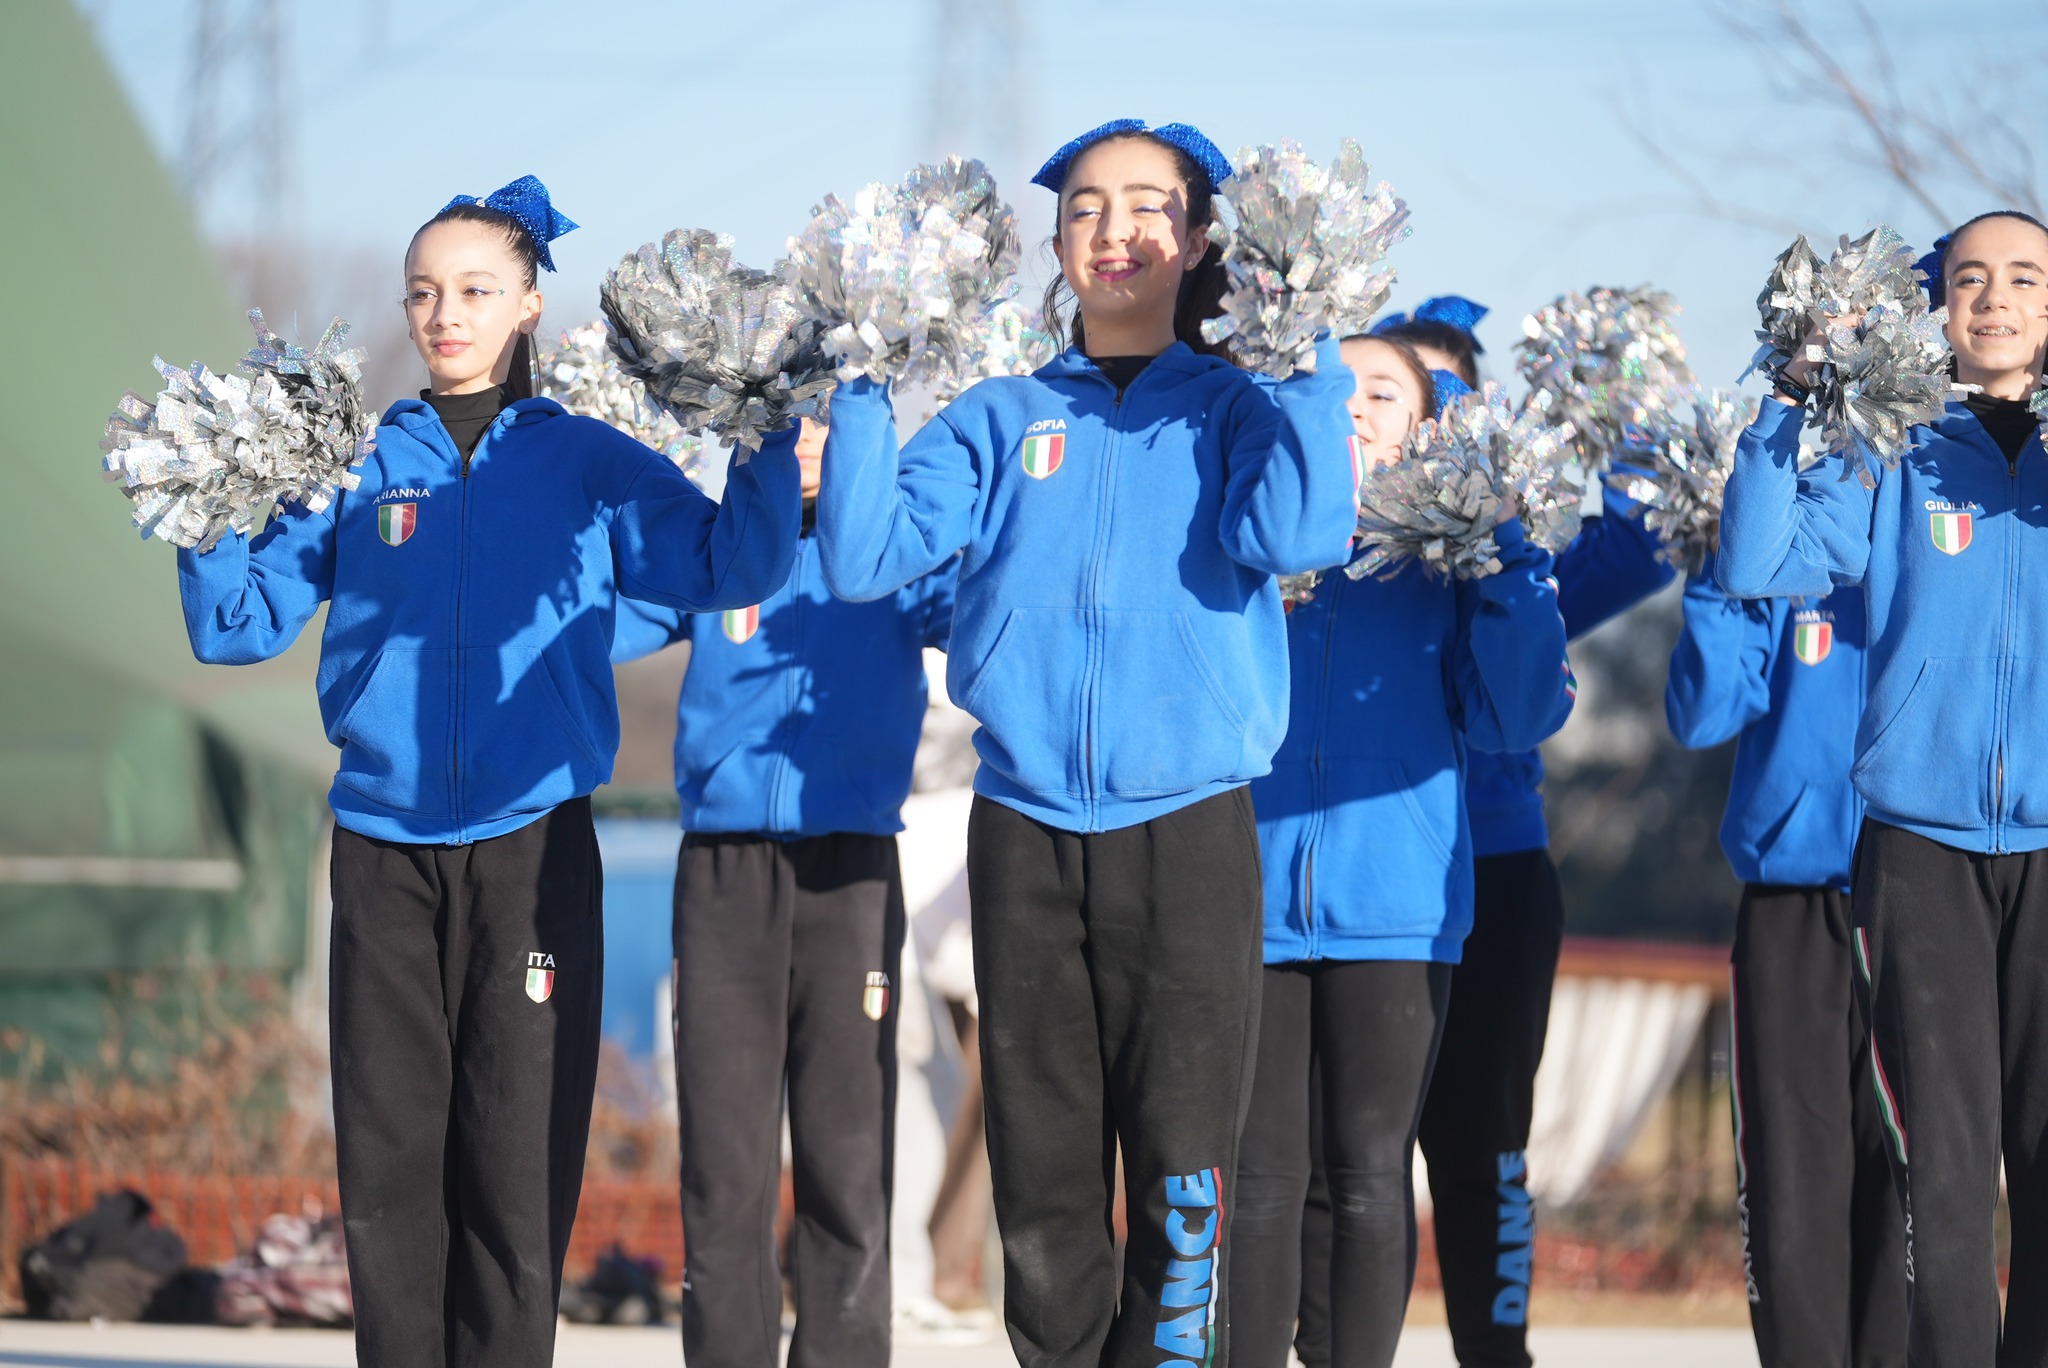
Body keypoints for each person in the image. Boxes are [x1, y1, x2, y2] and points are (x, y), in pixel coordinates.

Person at [175, 177, 802, 1368]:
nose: (442, 314)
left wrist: (764, 427)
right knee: (390, 1161)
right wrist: (201, 512)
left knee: (515, 1164)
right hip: (382, 847)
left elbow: (729, 563)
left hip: (531, 847)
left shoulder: (588, 463)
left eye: (472, 290)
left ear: (527, 304)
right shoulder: (357, 464)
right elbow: (238, 627)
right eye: (423, 292)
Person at [817, 118, 1358, 1368]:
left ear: (1203, 237)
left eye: (1147, 206)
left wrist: (1308, 347)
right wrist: (859, 378)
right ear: (1055, 240)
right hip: (1027, 829)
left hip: (1189, 829)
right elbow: (862, 559)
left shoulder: (1237, 409)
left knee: (1182, 1173)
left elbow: (1301, 532)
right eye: (1084, 208)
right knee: (1045, 1184)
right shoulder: (998, 418)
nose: (1114, 231)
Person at [1290, 297, 1671, 1368]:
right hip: (1322, 882)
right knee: (1318, 1162)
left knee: (1474, 1143)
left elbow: (1633, 557)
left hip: (1484, 870)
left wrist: (1617, 414)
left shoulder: (1495, 550)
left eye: (1418, 392)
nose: (1374, 412)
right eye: (1357, 390)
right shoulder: (1298, 540)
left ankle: (1492, 1353)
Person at [1716, 209, 2048, 1366]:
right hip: (1915, 847)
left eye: (2021, 278)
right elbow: (1757, 565)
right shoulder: (1891, 450)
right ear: (1937, 306)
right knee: (1944, 1174)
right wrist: (1788, 400)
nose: (1993, 299)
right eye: (1967, 279)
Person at [1233, 336, 1574, 1368]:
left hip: (1396, 908)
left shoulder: (1450, 566)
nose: (1350, 403)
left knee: (1369, 1174)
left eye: (1379, 390)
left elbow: (1514, 717)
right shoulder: (1250, 540)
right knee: (1256, 1178)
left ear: (1424, 426)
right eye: (1333, 384)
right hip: (1244, 903)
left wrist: (1506, 552)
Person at [611, 418, 955, 1368]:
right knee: (725, 1170)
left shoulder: (899, 558)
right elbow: (589, 614)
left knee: (848, 1160)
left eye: (830, 418)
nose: (805, 440)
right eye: (782, 419)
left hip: (852, 871)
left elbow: (1003, 599)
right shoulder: (716, 549)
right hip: (723, 871)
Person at [1665, 552, 1904, 1368]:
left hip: (1923, 895)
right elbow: (1702, 714)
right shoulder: (1785, 530)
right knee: (1790, 1188)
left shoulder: (1944, 505)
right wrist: (1720, 565)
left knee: (1912, 1178)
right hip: (1790, 902)